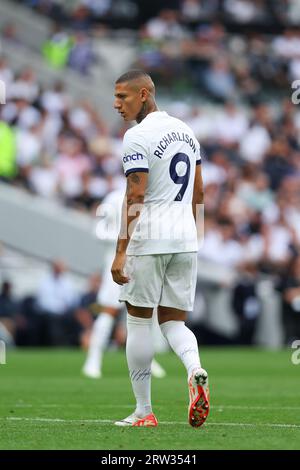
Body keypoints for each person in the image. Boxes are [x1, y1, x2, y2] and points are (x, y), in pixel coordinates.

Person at [111, 70, 209, 427]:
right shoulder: (186, 131)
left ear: (144, 93)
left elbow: (135, 195)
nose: (116, 104)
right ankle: (195, 369)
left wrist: (121, 250)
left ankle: (143, 411)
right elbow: (199, 192)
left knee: (138, 322)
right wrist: (196, 232)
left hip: (149, 239)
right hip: (184, 239)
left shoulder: (137, 136)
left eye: (123, 97)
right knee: (173, 321)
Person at [82, 187, 167, 379]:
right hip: (118, 261)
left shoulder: (152, 196)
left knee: (143, 312)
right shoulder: (113, 197)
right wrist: (122, 243)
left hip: (143, 261)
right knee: (109, 311)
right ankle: (93, 360)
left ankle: (147, 360)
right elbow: (99, 231)